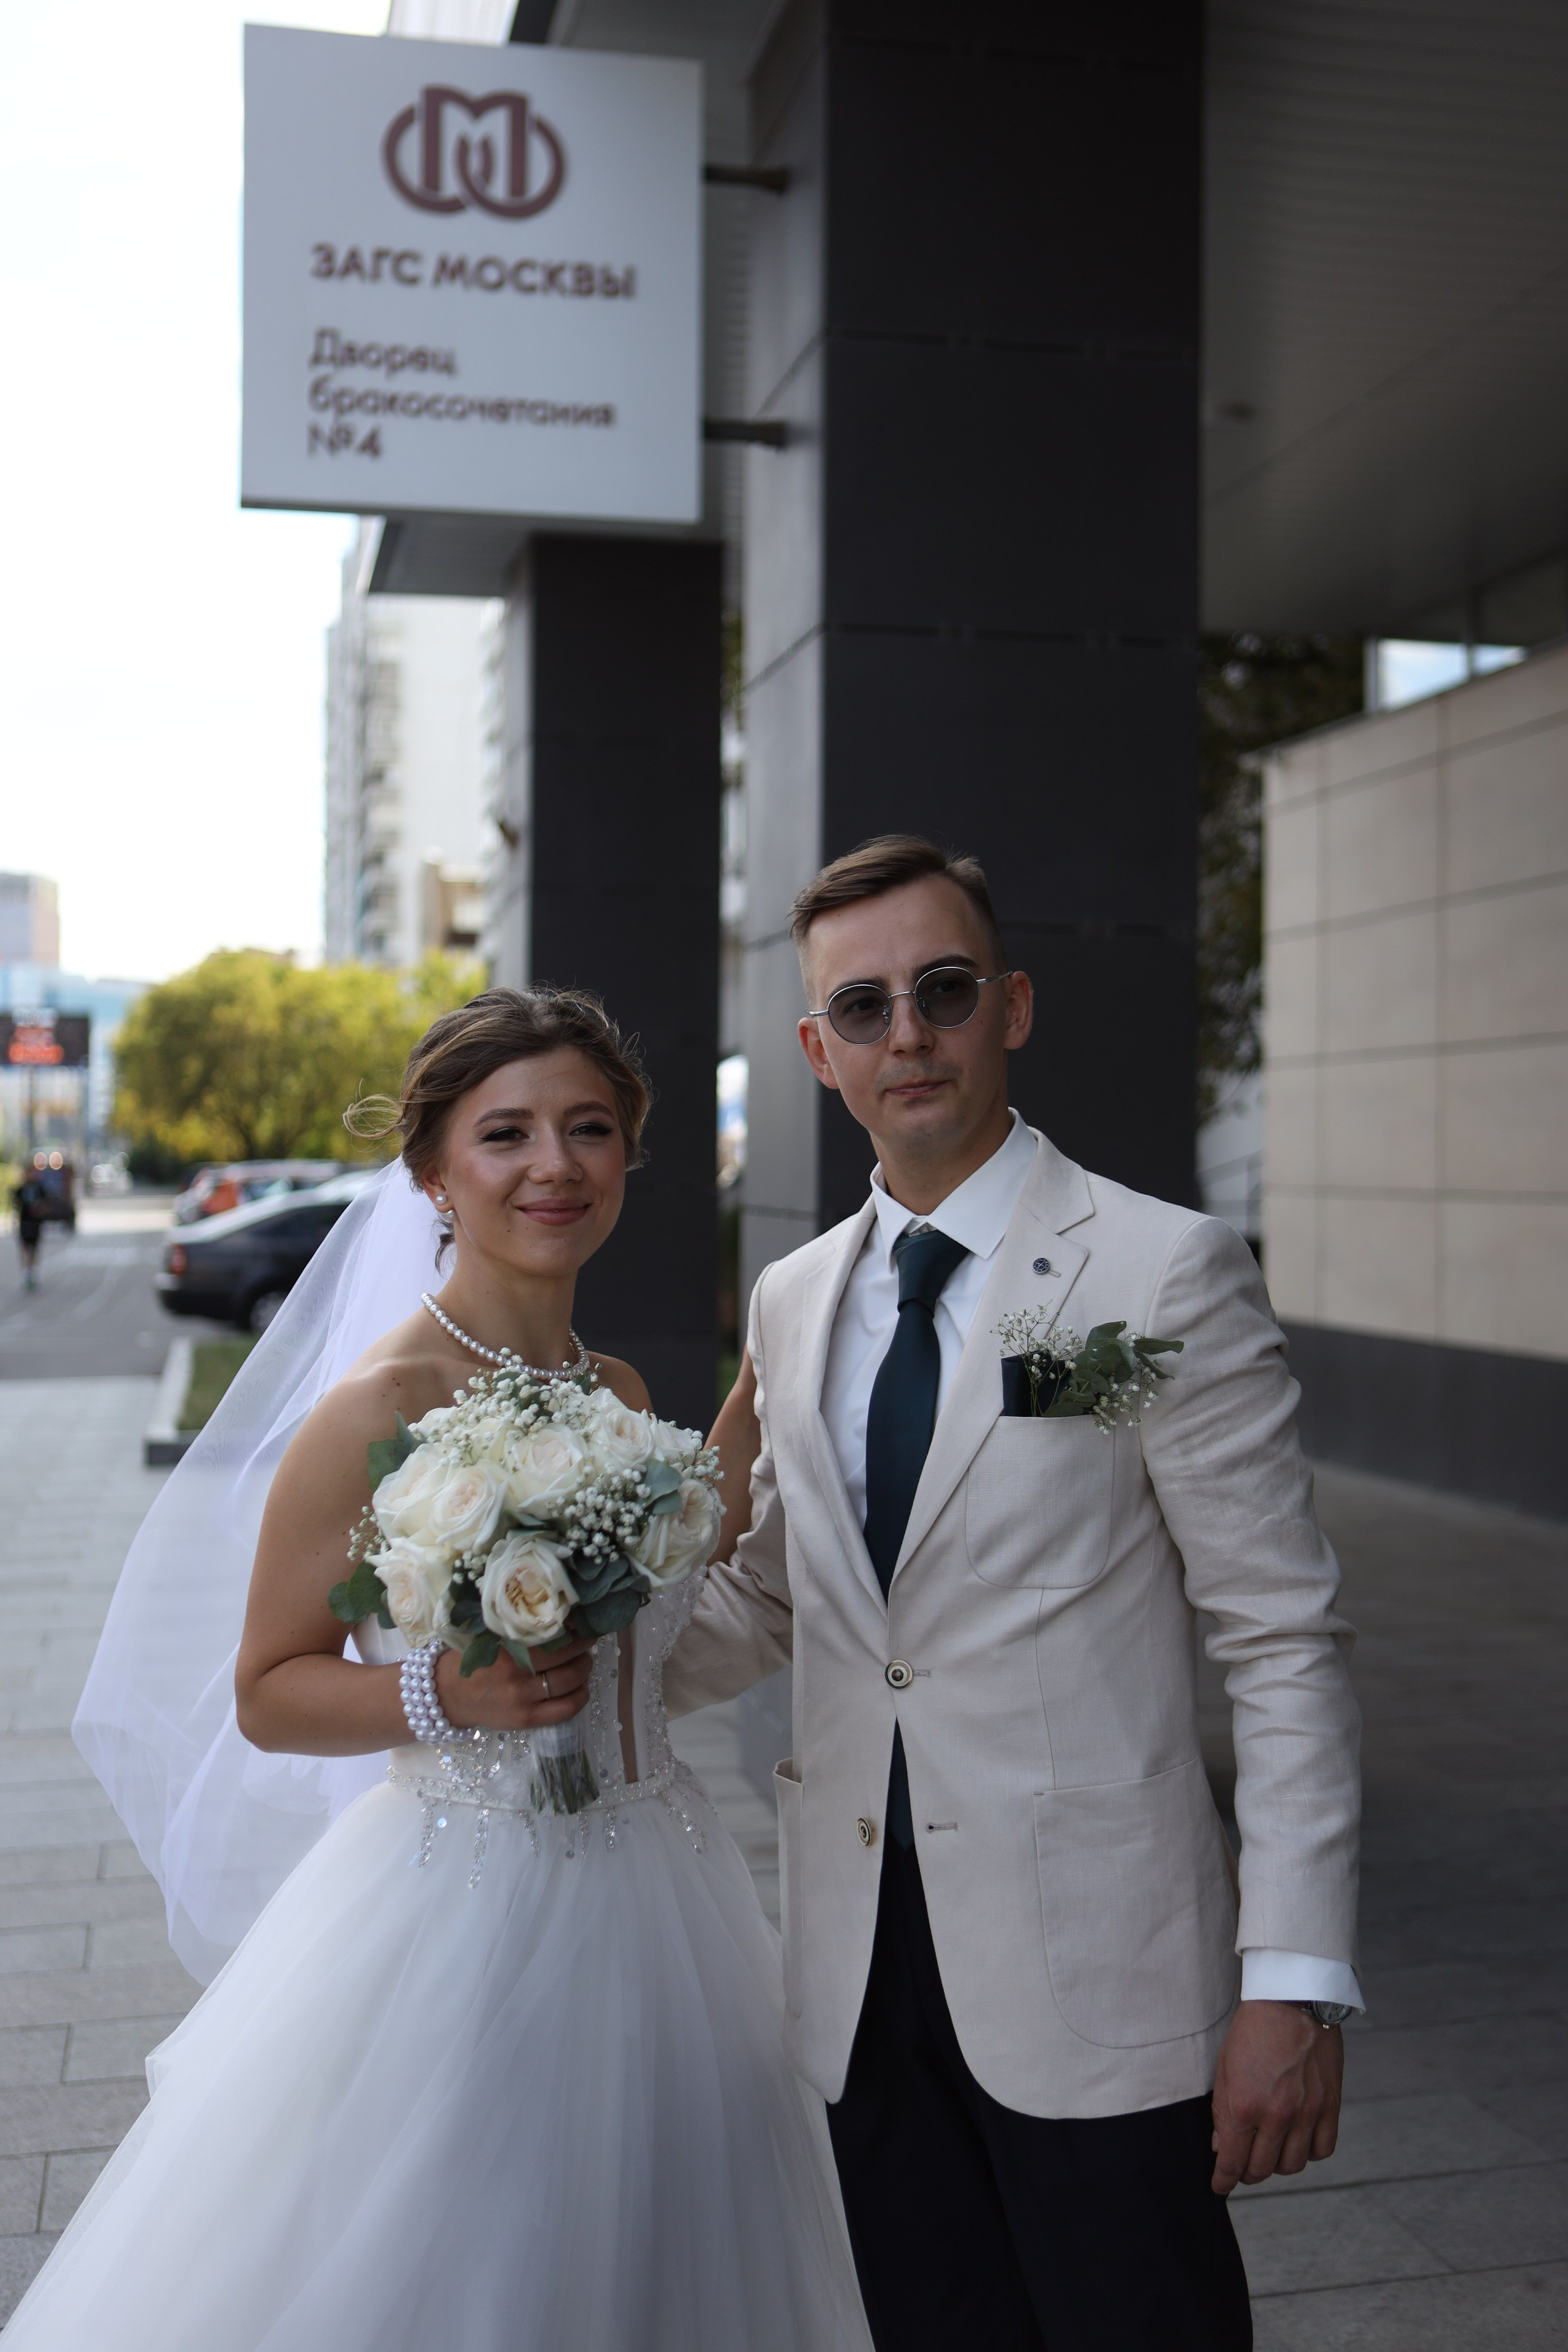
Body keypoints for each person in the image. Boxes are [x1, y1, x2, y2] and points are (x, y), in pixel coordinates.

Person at [4, 989, 870, 2352]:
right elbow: (265, 1687)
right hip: (461, 1911)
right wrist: (439, 1694)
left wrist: (756, 1412)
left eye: (590, 1130)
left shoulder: (625, 1397)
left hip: (669, 1892)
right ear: (433, 1175)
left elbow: (647, 1652)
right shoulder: (378, 1408)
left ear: (630, 1159)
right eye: (506, 1133)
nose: (554, 1166)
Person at [666, 835, 1363, 2352]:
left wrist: (1290, 1981)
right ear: (814, 1051)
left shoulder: (1157, 1276)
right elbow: (785, 1598)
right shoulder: (792, 1302)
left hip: (1098, 1980)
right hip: (853, 1990)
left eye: (942, 988)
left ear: (1011, 1007)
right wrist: (552, 1660)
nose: (904, 1031)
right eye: (861, 1007)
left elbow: (1278, 1638)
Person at [12, 1168, 46, 1289]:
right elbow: (15, 1204)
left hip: (35, 1224)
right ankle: (26, 1271)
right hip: (25, 1222)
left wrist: (40, 1211)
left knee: (34, 1247)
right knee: (24, 1247)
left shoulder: (39, 1189)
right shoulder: (21, 1189)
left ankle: (32, 1269)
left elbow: (45, 1204)